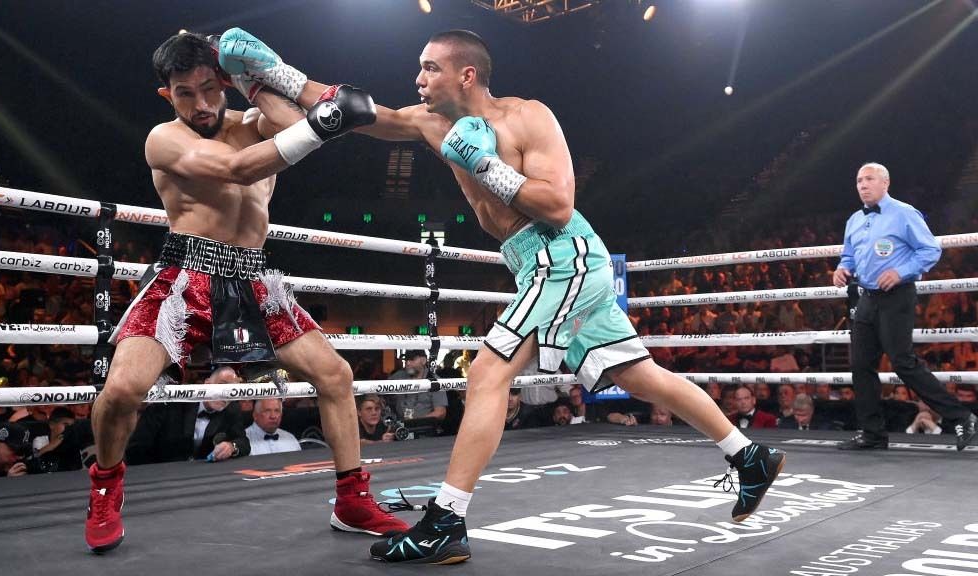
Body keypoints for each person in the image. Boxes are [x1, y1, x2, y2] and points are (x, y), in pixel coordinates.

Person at [218, 27, 786, 564]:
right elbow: (361, 113)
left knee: (486, 373)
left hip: (560, 251)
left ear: (466, 75)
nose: (417, 76)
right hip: (529, 260)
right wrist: (272, 71)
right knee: (637, 374)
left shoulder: (527, 116)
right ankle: (747, 453)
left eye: (429, 67)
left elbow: (558, 206)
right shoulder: (429, 122)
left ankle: (445, 523)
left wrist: (486, 166)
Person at [84, 32, 406, 554]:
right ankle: (105, 485)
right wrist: (324, 121)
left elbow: (291, 127)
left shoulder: (250, 121)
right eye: (185, 93)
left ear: (225, 84)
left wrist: (257, 76)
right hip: (185, 274)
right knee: (122, 391)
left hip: (254, 280)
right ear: (168, 96)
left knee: (336, 375)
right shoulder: (163, 139)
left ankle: (351, 501)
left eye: (211, 88)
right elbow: (238, 169)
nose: (202, 103)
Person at [833, 163, 977, 451]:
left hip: (897, 295)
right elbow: (849, 254)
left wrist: (900, 271)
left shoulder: (904, 213)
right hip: (866, 298)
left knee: (902, 361)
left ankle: (963, 417)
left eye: (869, 179)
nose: (863, 184)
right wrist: (842, 268)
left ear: (885, 183)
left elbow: (930, 249)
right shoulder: (854, 220)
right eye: (859, 180)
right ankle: (872, 433)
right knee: (861, 365)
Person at [126, 366, 251, 464]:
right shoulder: (171, 402)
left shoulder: (231, 410)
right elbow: (136, 448)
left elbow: (243, 442)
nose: (225, 393)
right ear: (207, 384)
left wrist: (231, 447)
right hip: (162, 473)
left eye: (232, 390)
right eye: (222, 385)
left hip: (204, 476)